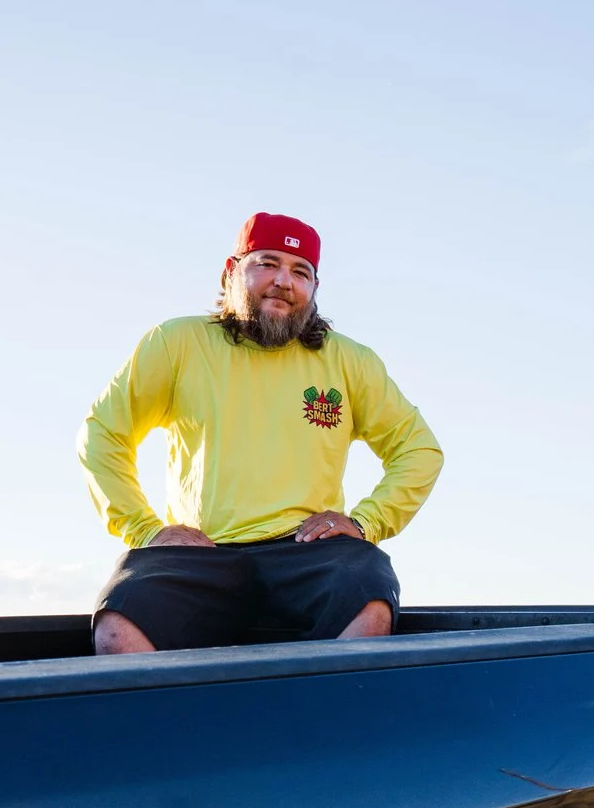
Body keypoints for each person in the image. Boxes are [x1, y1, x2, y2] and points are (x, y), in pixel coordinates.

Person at [78, 212, 442, 652]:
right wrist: (145, 528)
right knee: (120, 620)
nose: (283, 281)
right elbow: (103, 434)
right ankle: (169, 722)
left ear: (314, 289)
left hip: (308, 550)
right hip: (203, 551)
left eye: (300, 271)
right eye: (267, 263)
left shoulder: (350, 360)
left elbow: (418, 449)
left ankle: (325, 717)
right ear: (231, 272)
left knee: (367, 591)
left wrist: (366, 522)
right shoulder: (177, 342)